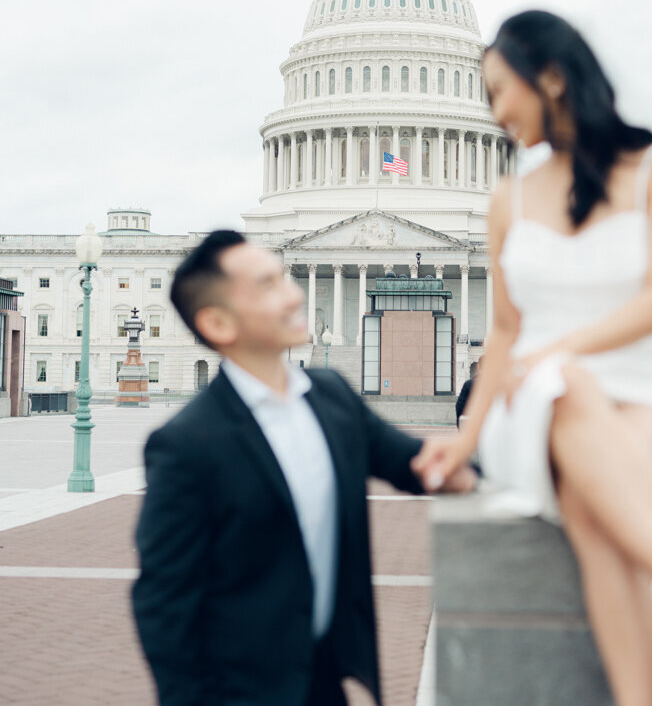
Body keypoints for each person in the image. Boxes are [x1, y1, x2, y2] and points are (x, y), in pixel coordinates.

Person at [413, 10, 652, 704]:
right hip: (539, 408)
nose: (493, 114)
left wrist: (558, 349)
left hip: (648, 395)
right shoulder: (507, 200)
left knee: (594, 495)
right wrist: (466, 437)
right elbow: (505, 335)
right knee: (563, 387)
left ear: (549, 77)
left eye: (496, 92)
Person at [132, 231, 475, 706]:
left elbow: (417, 463)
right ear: (217, 322)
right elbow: (163, 601)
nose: (295, 295)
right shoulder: (186, 444)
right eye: (269, 285)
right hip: (237, 690)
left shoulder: (331, 395)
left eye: (283, 279)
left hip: (325, 680)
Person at [455, 356, 481, 426]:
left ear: (478, 366)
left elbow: (460, 406)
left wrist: (460, 425)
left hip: (473, 424)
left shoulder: (469, 384)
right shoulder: (499, 385)